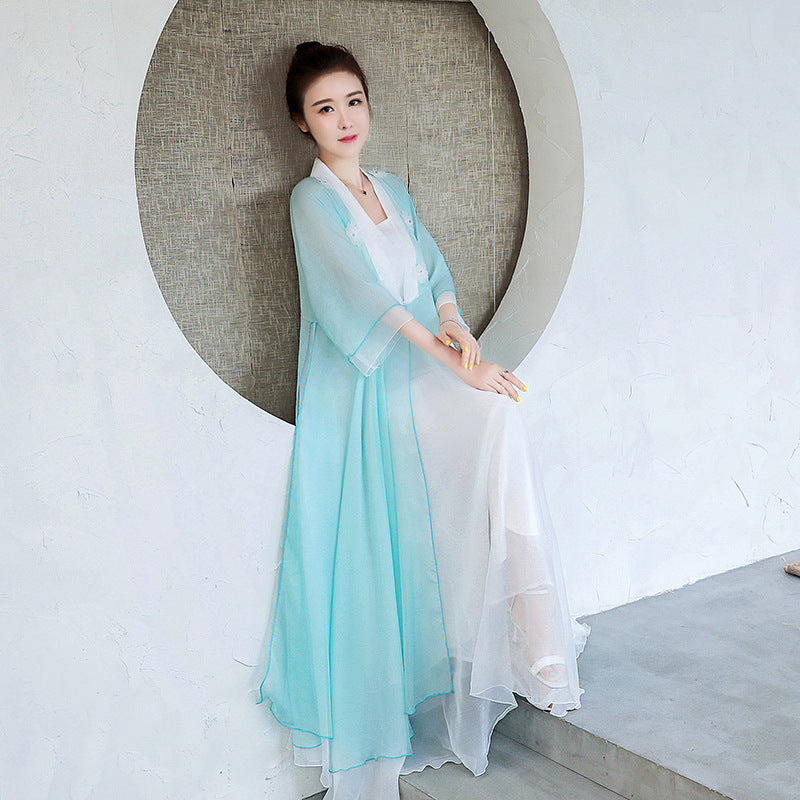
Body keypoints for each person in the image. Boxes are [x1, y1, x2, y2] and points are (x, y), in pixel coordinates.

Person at [257, 41, 589, 800]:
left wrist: (453, 321)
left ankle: (533, 634)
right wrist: (458, 366)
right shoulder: (310, 202)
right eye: (324, 108)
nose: (344, 119)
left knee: (501, 420)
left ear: (369, 105)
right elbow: (361, 304)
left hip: (424, 366)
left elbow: (433, 273)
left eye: (353, 101)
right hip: (370, 382)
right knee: (487, 414)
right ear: (301, 124)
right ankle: (514, 638)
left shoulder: (393, 188)